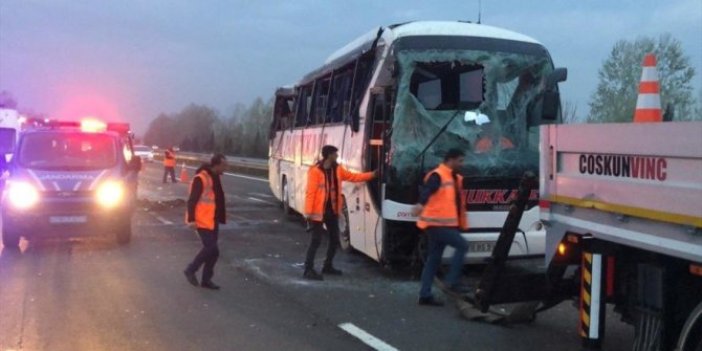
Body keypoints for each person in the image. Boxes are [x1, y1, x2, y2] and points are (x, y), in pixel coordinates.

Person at [303, 145, 376, 280]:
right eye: (335, 154)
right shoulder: (315, 171)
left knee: (334, 239)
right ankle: (308, 269)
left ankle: (327, 265)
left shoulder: (338, 169)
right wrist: (308, 212)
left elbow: (353, 177)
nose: (337, 156)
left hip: (332, 211)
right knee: (316, 241)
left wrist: (372, 175)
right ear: (329, 155)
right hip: (318, 212)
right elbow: (310, 193)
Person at [412, 148, 471, 306]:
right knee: (463, 245)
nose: (462, 164)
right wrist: (420, 204)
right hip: (436, 224)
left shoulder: (454, 178)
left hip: (444, 224)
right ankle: (452, 281)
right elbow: (427, 191)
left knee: (434, 259)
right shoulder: (438, 175)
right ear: (451, 160)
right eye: (460, 160)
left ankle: (424, 295)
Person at [184, 154, 227, 290]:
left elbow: (217, 198)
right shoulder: (201, 178)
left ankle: (206, 280)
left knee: (214, 252)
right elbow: (192, 200)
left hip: (212, 219)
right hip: (201, 220)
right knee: (211, 248)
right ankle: (190, 269)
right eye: (224, 165)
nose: (226, 168)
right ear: (216, 165)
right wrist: (191, 219)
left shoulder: (215, 177)